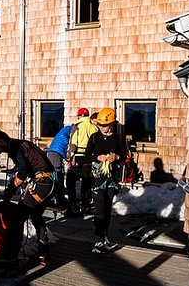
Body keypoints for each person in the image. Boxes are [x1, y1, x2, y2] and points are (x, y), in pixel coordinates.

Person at [0, 129, 56, 266]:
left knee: (19, 217)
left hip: (42, 183)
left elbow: (23, 172)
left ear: (0, 142)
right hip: (50, 183)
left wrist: (11, 189)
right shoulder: (21, 143)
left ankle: (12, 256)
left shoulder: (15, 147)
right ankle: (44, 254)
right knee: (36, 215)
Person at [83, 107, 128, 254]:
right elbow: (86, 156)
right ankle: (98, 239)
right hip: (97, 177)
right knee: (99, 209)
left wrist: (117, 157)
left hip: (111, 178)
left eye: (104, 125)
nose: (101, 128)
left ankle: (105, 235)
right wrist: (97, 157)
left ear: (112, 124)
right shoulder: (94, 138)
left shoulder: (118, 138)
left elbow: (123, 155)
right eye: (100, 125)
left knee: (107, 208)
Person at [64, 108, 98, 217]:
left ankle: (72, 207)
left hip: (77, 156)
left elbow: (73, 144)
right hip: (88, 157)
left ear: (79, 116)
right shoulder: (94, 127)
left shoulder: (77, 126)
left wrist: (69, 157)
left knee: (71, 181)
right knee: (86, 182)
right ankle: (85, 206)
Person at [46, 123, 72, 209]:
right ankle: (56, 198)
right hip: (56, 153)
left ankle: (57, 197)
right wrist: (69, 146)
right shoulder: (68, 132)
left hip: (55, 152)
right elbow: (65, 141)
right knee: (57, 175)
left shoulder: (65, 130)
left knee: (57, 174)